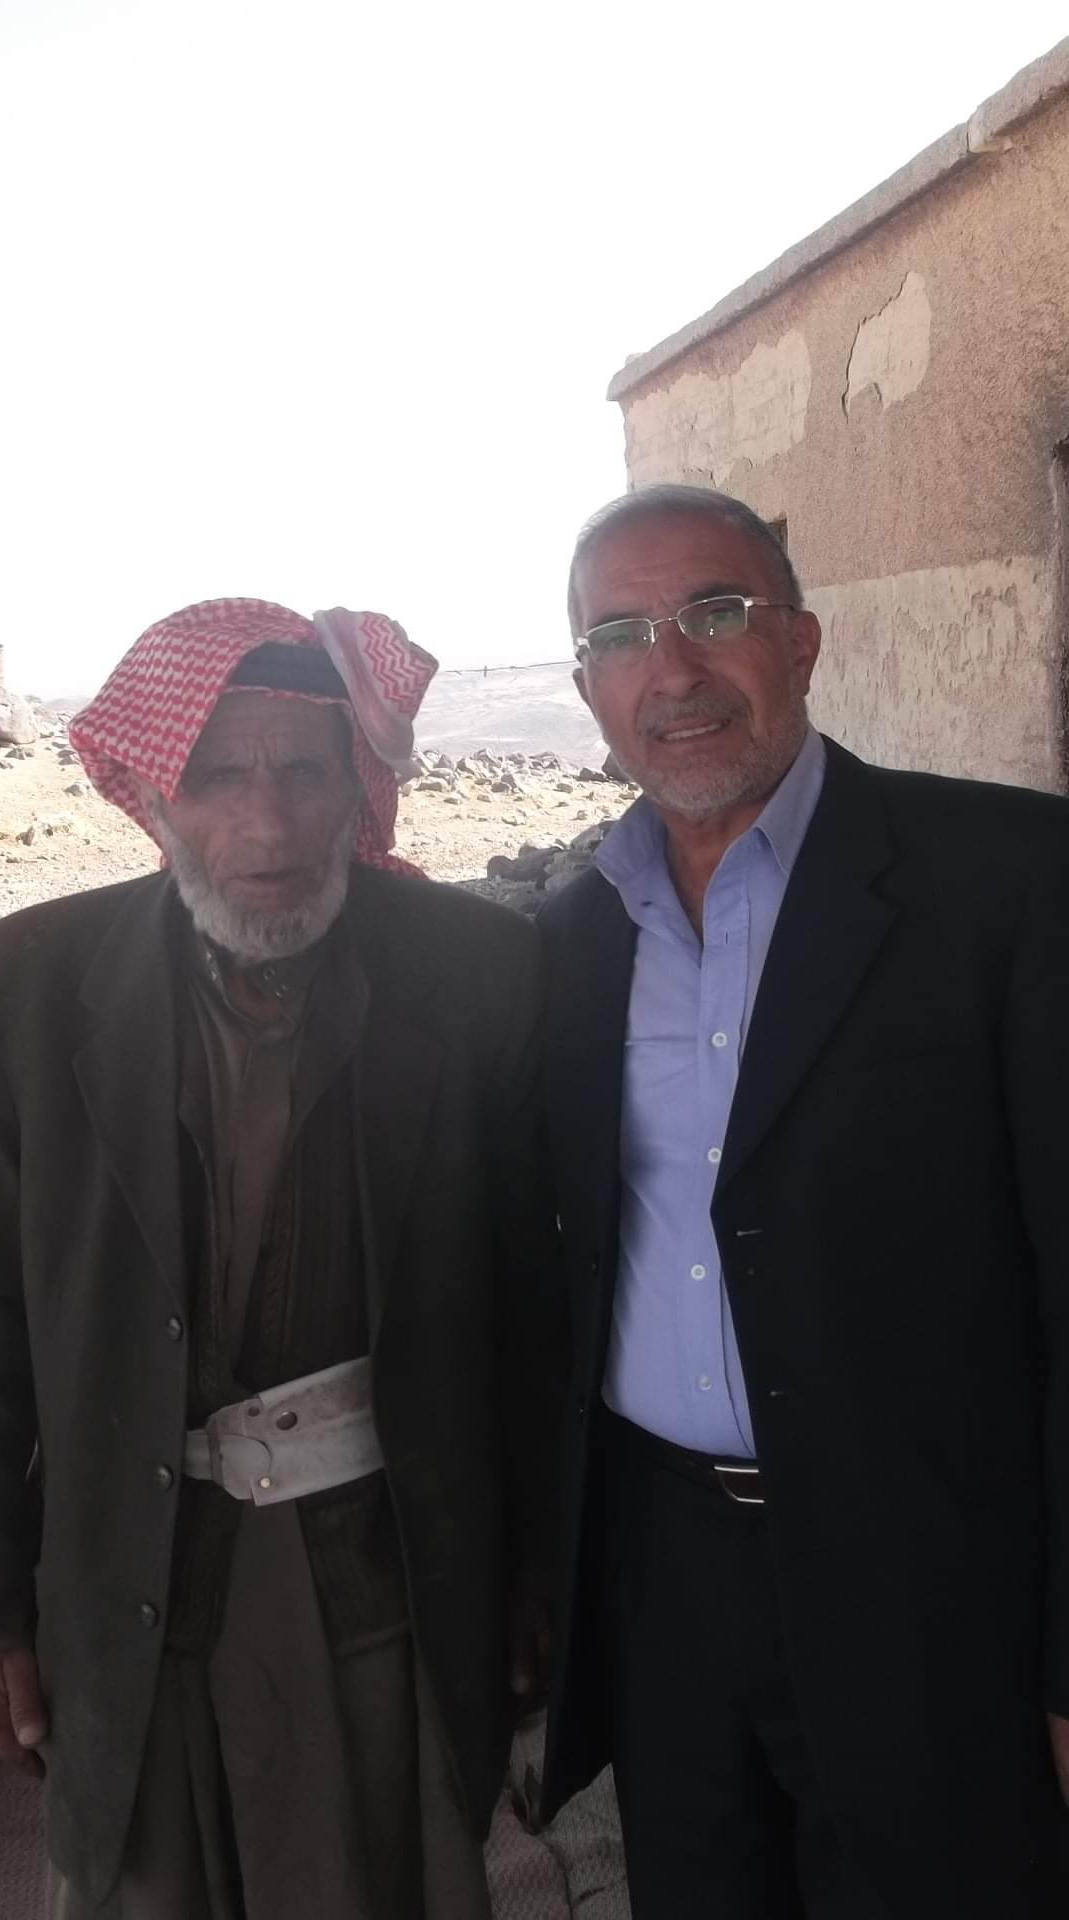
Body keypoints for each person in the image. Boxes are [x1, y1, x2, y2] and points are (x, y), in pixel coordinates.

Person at [0, 597, 565, 1919]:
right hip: (128, 1585)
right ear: (150, 791)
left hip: (392, 1578)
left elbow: (536, 1303)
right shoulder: (26, 989)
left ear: (356, 786)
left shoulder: (477, 973)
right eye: (217, 776)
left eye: (305, 771)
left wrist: (536, 1566)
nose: (268, 823)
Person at [538, 484, 1069, 1919]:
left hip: (934, 1580)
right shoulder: (577, 937)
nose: (672, 668)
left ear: (802, 640)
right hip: (667, 1578)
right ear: (587, 687)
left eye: (715, 612)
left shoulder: (1008, 881)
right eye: (620, 636)